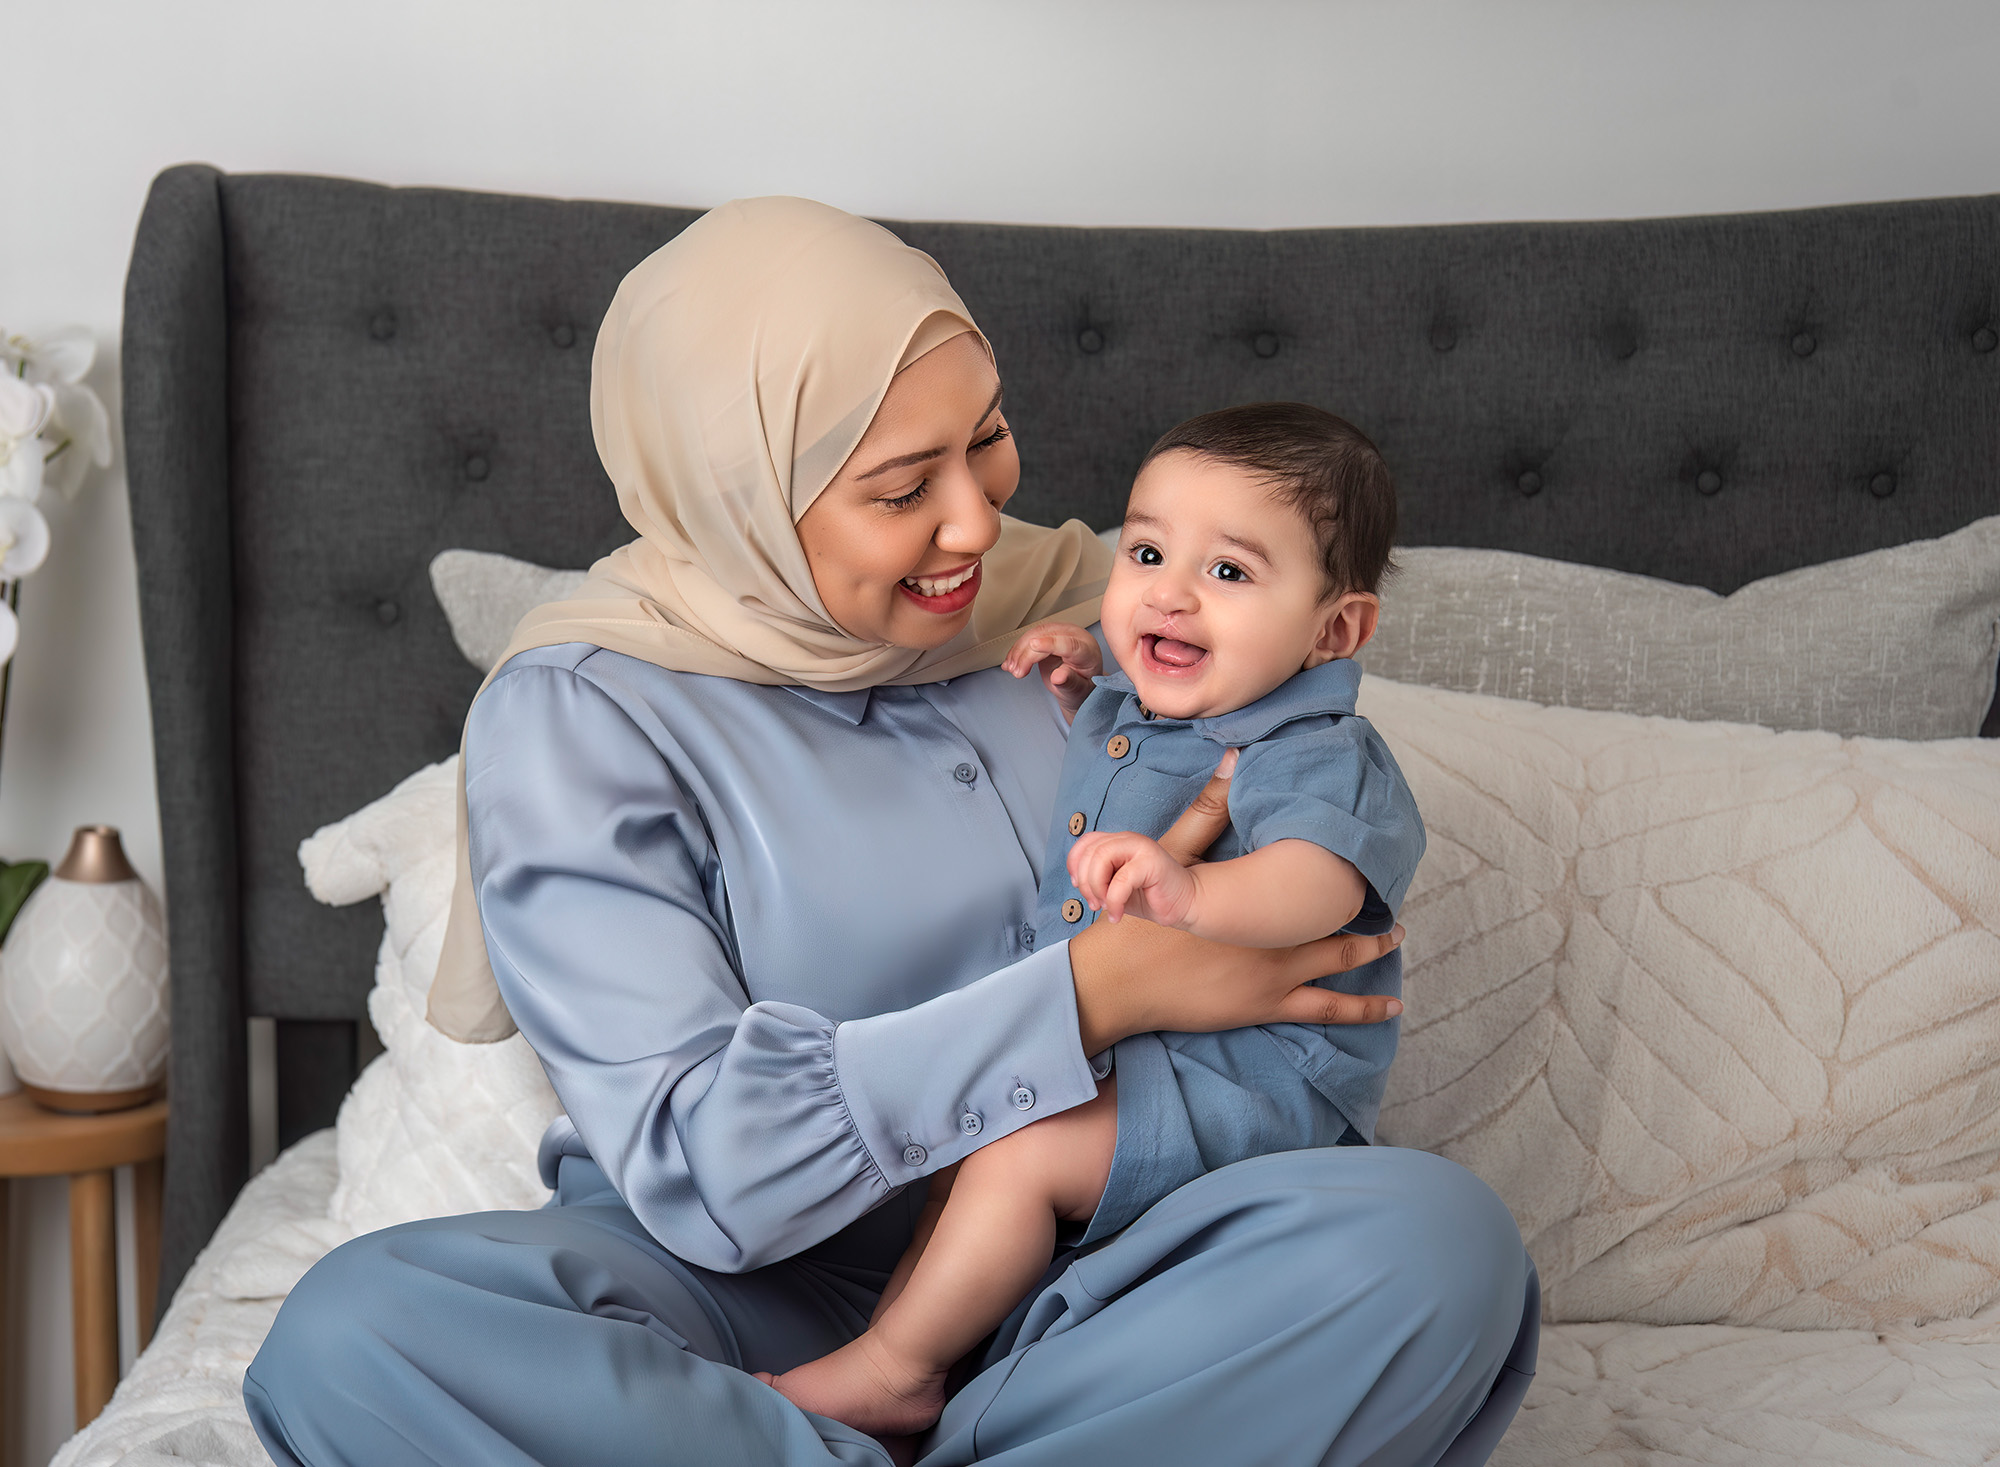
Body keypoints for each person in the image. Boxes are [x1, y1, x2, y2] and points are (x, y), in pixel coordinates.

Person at [244, 197, 1538, 1467]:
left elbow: (1289, 718)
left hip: (1104, 1260)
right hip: (759, 1290)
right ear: (742, 491)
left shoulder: (1083, 606)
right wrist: (1094, 991)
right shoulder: (588, 714)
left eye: (988, 438)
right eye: (903, 485)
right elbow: (712, 1167)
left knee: (1438, 1250)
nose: (977, 520)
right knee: (357, 1336)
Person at [760, 403, 1426, 1438]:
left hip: (1259, 1077)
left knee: (1016, 1155)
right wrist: (1080, 685)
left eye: (1228, 573)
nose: (1167, 592)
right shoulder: (1141, 709)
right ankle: (894, 1362)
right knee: (971, 1145)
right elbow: (1129, 772)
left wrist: (1195, 896)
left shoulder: (1312, 747)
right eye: (1149, 550)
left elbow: (1317, 882)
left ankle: (897, 1369)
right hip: (1136, 1049)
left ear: (1333, 630)